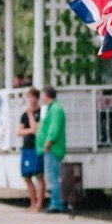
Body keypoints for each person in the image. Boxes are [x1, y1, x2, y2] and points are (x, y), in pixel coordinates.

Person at [36, 85, 67, 213]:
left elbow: (54, 128)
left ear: (46, 95)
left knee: (54, 177)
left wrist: (48, 142)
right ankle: (55, 202)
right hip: (48, 148)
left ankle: (57, 203)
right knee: (52, 177)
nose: (40, 98)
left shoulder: (56, 109)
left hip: (52, 148)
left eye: (42, 95)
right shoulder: (48, 108)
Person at [17, 87, 44, 212]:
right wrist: (29, 131)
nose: (30, 100)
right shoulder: (24, 115)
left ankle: (39, 204)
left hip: (36, 147)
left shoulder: (41, 112)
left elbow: (36, 129)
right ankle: (32, 202)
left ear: (37, 98)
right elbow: (19, 131)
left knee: (39, 176)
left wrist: (30, 115)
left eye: (32, 97)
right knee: (27, 176)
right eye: (28, 97)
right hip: (26, 148)